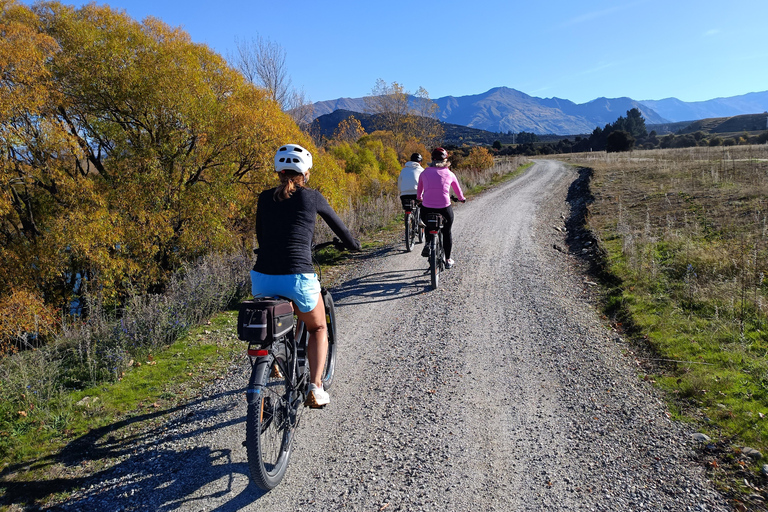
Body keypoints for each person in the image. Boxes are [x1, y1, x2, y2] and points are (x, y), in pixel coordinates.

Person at [251, 143, 360, 407]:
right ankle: (316, 386)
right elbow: (341, 229)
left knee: (275, 317)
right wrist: (353, 245)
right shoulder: (312, 197)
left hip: (262, 277)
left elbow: (261, 236)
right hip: (298, 276)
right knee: (318, 326)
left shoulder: (264, 197)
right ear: (306, 173)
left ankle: (274, 358)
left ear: (278, 171)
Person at [417, 147, 466, 269]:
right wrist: (461, 198)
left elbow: (419, 191)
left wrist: (420, 198)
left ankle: (429, 243)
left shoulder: (424, 173)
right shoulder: (450, 174)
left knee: (429, 226)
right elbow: (458, 191)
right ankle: (448, 259)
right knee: (447, 231)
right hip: (444, 207)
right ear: (446, 160)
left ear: (432, 159)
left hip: (427, 207)